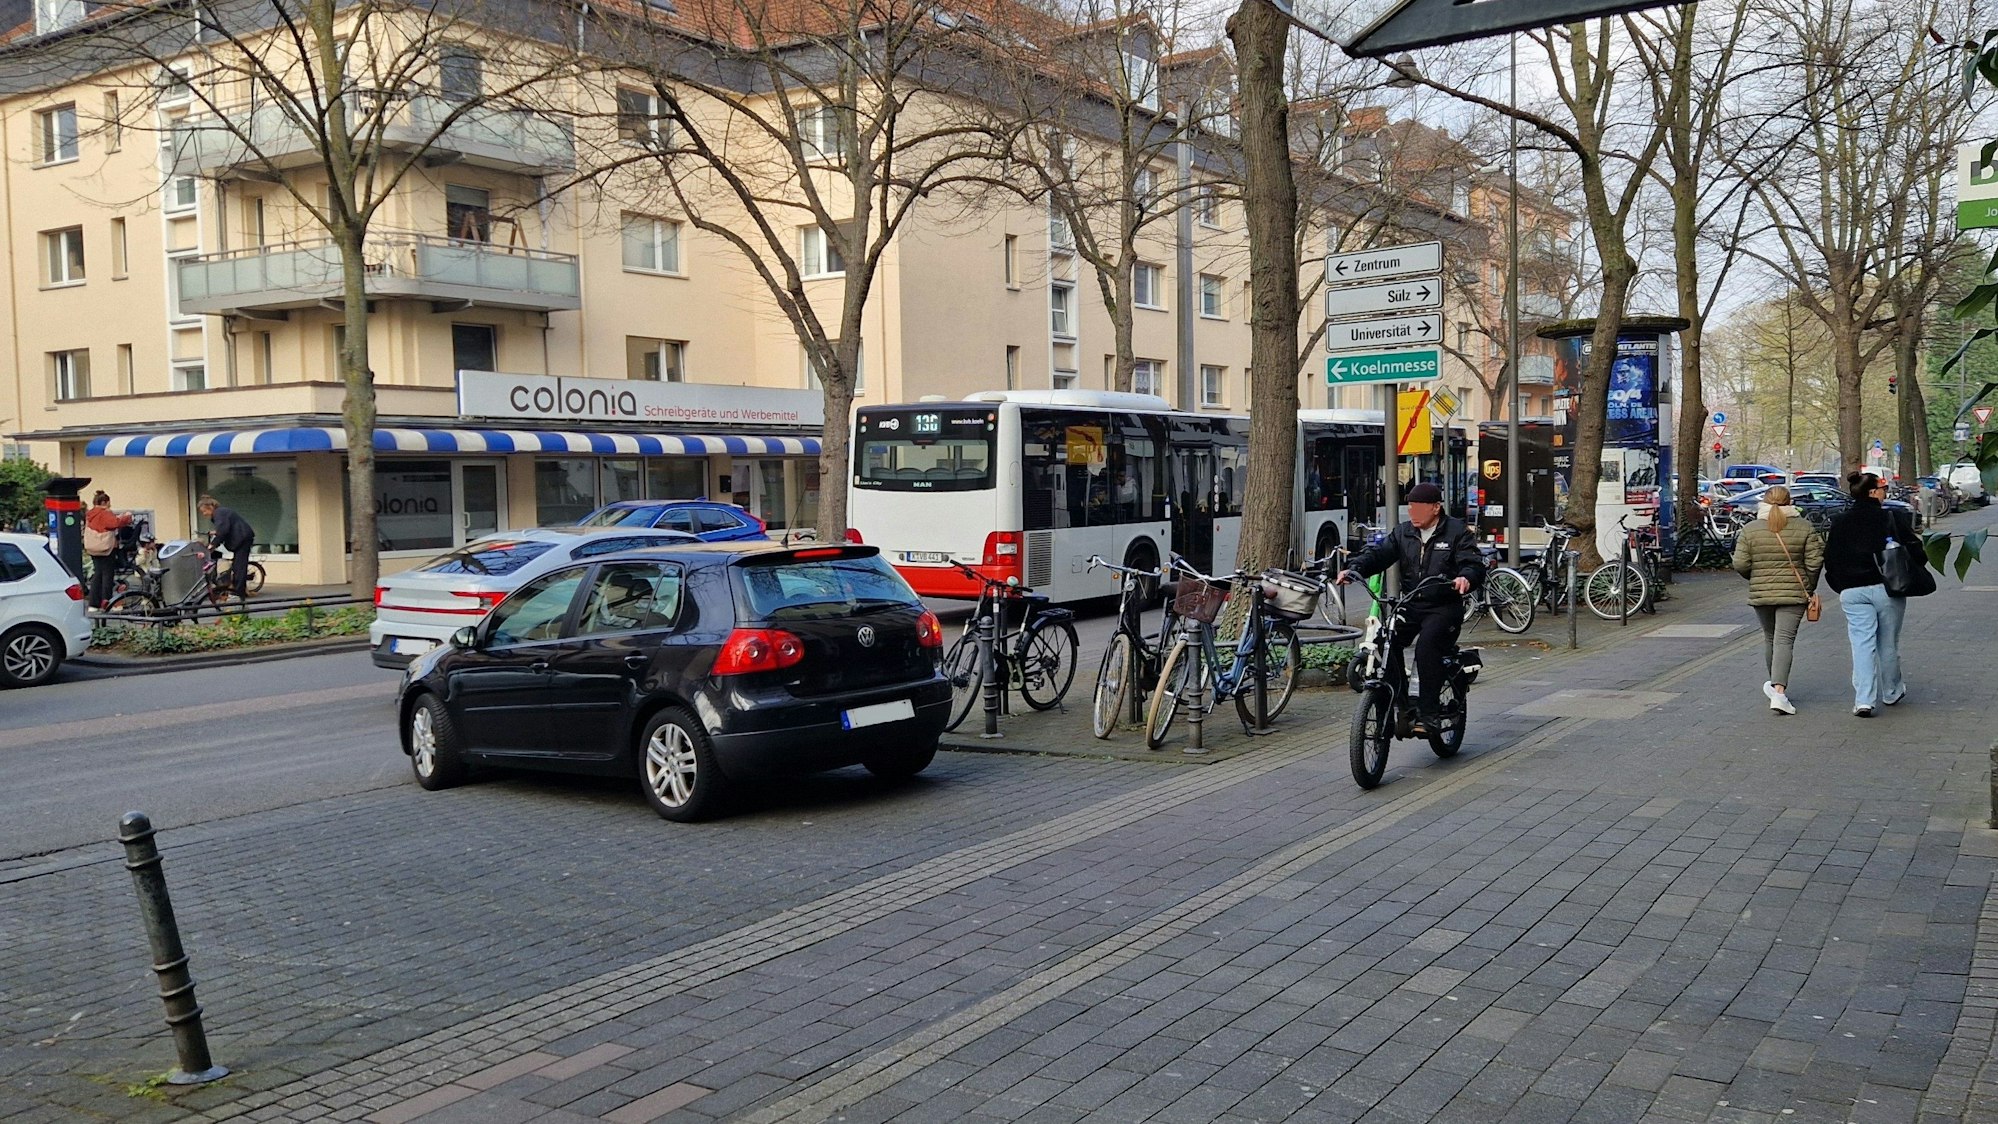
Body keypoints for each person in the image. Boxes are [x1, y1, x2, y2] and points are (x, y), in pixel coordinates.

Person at [1335, 482, 1485, 735]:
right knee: (1386, 642)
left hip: (1443, 607)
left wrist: (1466, 577)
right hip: (1412, 603)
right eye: (1410, 507)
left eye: (1418, 508)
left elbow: (1473, 563)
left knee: (1428, 647)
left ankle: (1429, 713)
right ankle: (1402, 702)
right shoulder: (1403, 532)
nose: (1412, 513)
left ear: (1436, 508)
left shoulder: (1457, 532)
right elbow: (1379, 554)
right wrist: (1355, 568)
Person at [1822, 470, 1923, 717]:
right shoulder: (1891, 518)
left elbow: (1830, 558)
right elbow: (1916, 550)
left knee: (1861, 645)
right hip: (1888, 589)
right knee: (1888, 643)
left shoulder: (1839, 521)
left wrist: (1840, 584)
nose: (1885, 493)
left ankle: (1864, 700)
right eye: (1883, 489)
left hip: (1852, 591)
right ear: (1874, 492)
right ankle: (1891, 691)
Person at [1731, 485, 1823, 715]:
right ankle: (1779, 692)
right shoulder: (1804, 527)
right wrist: (1808, 585)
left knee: (1771, 638)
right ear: (1789, 502)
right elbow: (1814, 561)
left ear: (1764, 501)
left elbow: (1740, 563)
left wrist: (1755, 578)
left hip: (1761, 592)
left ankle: (1775, 686)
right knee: (1784, 639)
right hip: (1794, 593)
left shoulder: (1750, 530)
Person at [197, 494, 256, 603]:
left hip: (242, 539)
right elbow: (227, 527)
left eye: (204, 511)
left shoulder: (219, 513)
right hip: (242, 539)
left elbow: (223, 530)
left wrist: (213, 544)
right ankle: (238, 591)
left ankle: (238, 594)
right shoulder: (221, 512)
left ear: (210, 507)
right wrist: (216, 533)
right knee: (237, 566)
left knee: (239, 567)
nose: (204, 514)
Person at [82, 491, 133, 610]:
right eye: (109, 503)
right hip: (106, 548)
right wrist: (126, 517)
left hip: (94, 548)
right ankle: (107, 602)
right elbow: (114, 523)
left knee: (97, 574)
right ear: (104, 502)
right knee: (107, 576)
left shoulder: (90, 514)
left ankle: (93, 604)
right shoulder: (104, 513)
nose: (110, 505)